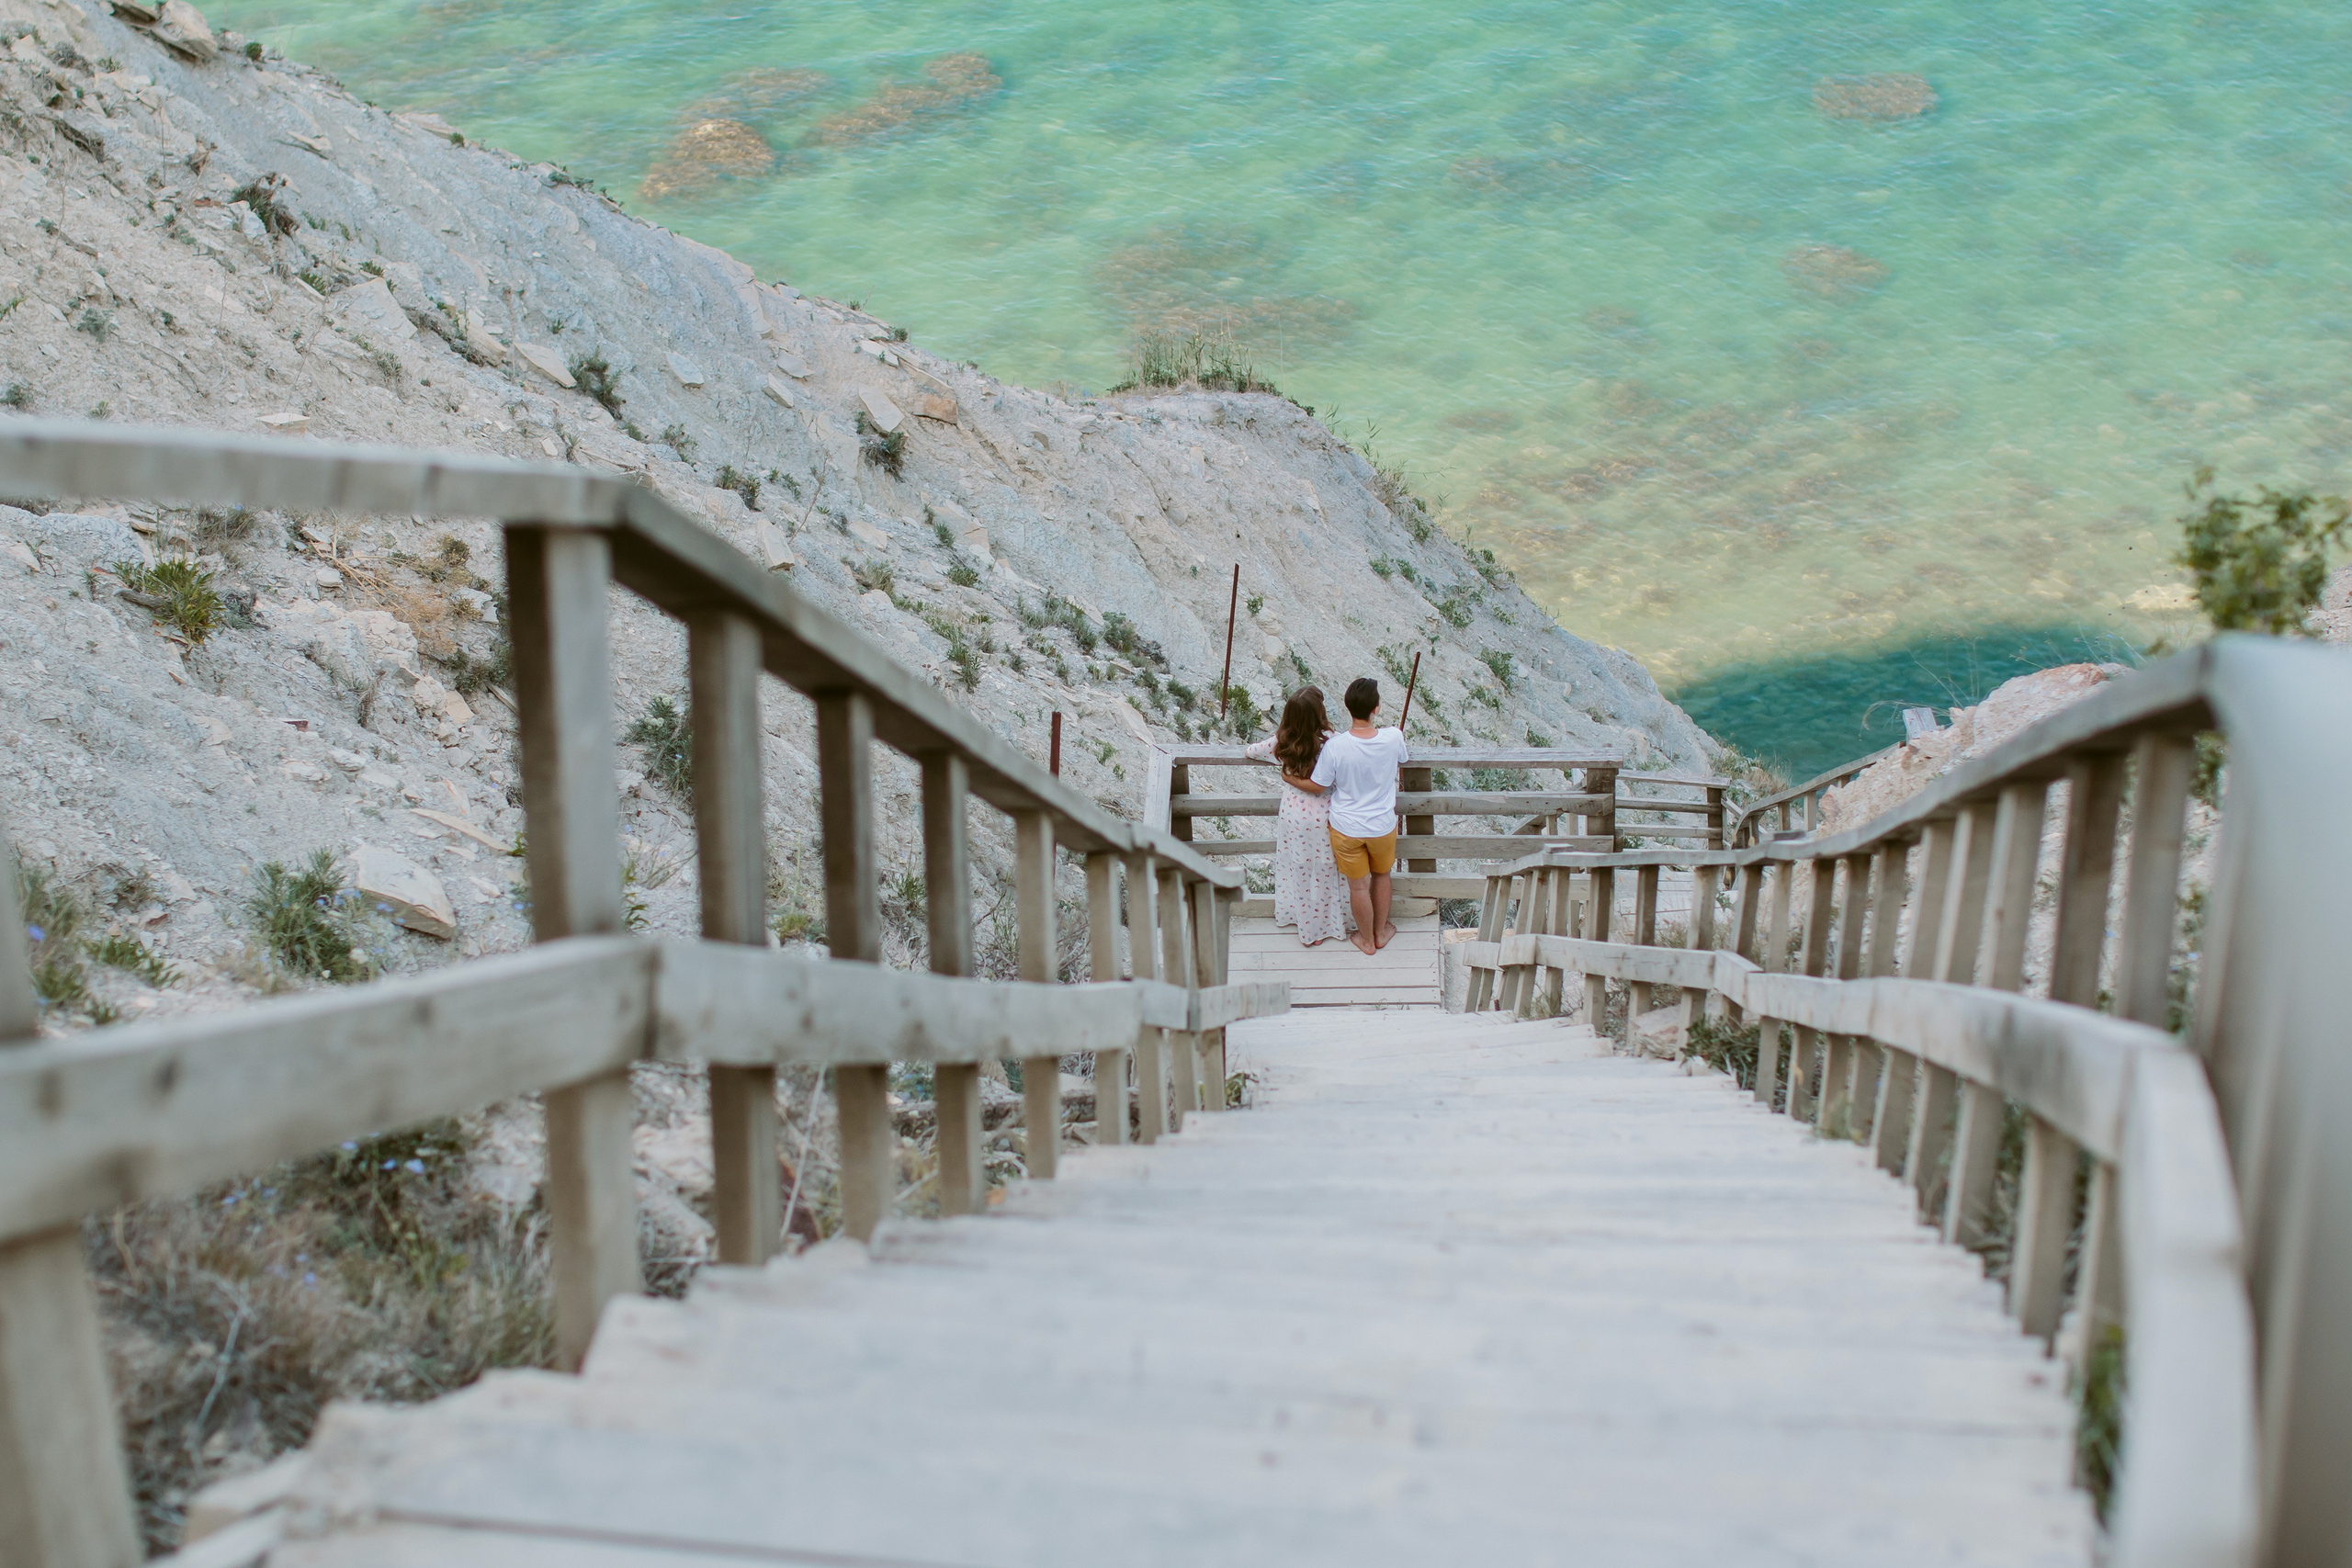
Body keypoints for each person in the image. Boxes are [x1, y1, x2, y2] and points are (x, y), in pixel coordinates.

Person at [1241, 688, 1355, 947]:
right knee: (1327, 869)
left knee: (1300, 868)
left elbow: (1251, 751)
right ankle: (1330, 924)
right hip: (1326, 814)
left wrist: (1288, 774)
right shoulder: (1331, 741)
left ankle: (1307, 925)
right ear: (1319, 714)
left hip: (1294, 814)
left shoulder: (1282, 740)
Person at [1311, 676, 1408, 956]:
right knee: (1382, 876)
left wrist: (1291, 779)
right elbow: (1404, 759)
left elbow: (1321, 783)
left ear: (1348, 707)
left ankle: (1366, 941)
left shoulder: (1336, 746)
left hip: (1346, 827)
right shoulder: (1393, 737)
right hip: (1381, 825)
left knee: (1357, 887)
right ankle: (1380, 933)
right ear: (1376, 708)